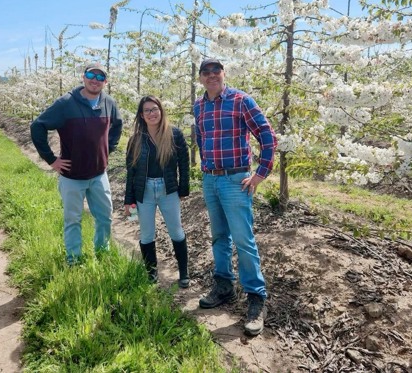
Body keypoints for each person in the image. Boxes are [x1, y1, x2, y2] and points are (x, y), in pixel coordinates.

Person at [194, 57, 277, 336]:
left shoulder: (241, 101)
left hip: (235, 179)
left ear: (224, 73)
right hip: (211, 179)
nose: (211, 76)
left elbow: (267, 136)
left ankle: (256, 297)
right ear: (201, 78)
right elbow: (201, 138)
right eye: (206, 72)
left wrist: (260, 174)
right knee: (219, 236)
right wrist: (205, 167)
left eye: (216, 71)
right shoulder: (199, 105)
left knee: (243, 239)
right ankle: (224, 285)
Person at [30, 62, 123, 265]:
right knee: (73, 220)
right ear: (83, 77)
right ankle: (74, 259)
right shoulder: (65, 104)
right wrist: (52, 159)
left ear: (105, 82)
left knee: (105, 218)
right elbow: (38, 126)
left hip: (99, 175)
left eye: (100, 77)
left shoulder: (109, 103)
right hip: (72, 176)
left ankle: (102, 252)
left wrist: (109, 149)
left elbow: (117, 125)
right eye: (91, 75)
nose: (95, 80)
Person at [124, 95, 191, 288]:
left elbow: (184, 164)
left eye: (155, 109)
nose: (152, 113)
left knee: (176, 231)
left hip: (167, 189)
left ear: (161, 111)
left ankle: (183, 272)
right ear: (141, 115)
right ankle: (151, 273)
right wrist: (129, 201)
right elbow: (132, 172)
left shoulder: (174, 134)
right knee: (146, 234)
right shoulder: (136, 140)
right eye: (147, 110)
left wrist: (183, 190)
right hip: (144, 191)